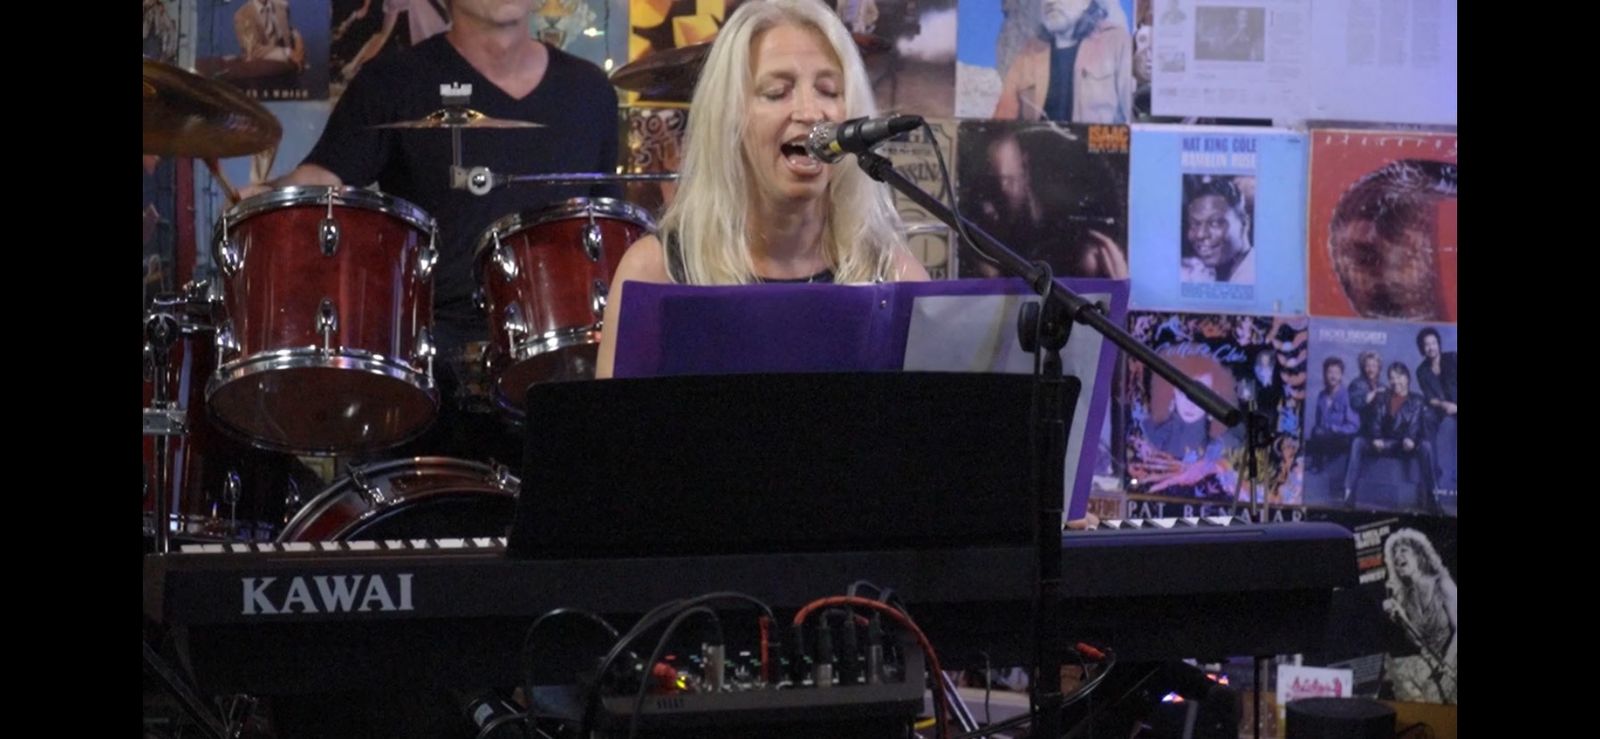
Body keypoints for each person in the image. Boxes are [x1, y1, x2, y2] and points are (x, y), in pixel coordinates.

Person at [241, 0, 620, 465]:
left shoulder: (590, 91)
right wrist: (270, 196)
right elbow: (327, 175)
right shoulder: (392, 80)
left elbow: (608, 226)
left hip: (559, 363)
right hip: (431, 360)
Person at [594, 0, 929, 379]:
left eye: (828, 90)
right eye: (777, 92)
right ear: (730, 117)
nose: (810, 112)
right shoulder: (654, 272)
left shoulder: (895, 275)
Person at [993, 0, 1133, 123]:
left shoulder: (1116, 43)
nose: (1050, 1)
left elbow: (1133, 116)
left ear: (1086, 2)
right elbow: (1001, 126)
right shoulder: (1027, 55)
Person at [1343, 362, 1440, 513]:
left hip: (1404, 444)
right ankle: (1349, 495)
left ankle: (1433, 498)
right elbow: (1375, 420)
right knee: (1358, 442)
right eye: (1392, 378)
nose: (1396, 381)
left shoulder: (1417, 400)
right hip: (1384, 442)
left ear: (1407, 378)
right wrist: (1376, 437)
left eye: (1399, 377)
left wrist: (1410, 439)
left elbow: (1415, 424)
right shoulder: (1382, 397)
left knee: (1426, 446)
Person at [1180, 175, 1253, 283]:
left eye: (1214, 223)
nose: (1200, 234)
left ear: (1244, 222)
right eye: (1195, 224)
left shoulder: (1258, 276)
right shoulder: (1196, 273)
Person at [1413, 326, 1457, 490]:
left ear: (1439, 344)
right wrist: (1444, 405)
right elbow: (1430, 398)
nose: (1431, 347)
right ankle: (1434, 471)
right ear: (1422, 348)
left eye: (1434, 343)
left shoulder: (1453, 358)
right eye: (1427, 344)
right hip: (1442, 409)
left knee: (1449, 425)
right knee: (1427, 417)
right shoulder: (1421, 371)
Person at [1306, 356, 1359, 474]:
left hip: (1343, 438)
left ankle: (1317, 465)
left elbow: (1354, 426)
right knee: (1314, 433)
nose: (1333, 376)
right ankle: (1315, 464)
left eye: (1337, 373)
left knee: (1318, 432)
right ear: (1324, 374)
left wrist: (1335, 429)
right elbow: (1318, 422)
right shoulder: (1321, 396)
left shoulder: (1347, 396)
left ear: (1341, 375)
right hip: (1325, 437)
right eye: (1330, 372)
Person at [234, 0, 308, 72]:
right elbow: (253, 50)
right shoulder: (243, 15)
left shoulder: (281, 6)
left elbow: (289, 29)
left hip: (289, 66)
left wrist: (297, 39)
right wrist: (288, 53)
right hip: (263, 69)